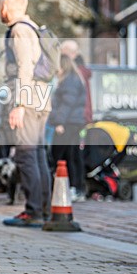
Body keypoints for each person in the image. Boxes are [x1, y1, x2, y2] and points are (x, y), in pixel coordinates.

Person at [0, 0, 53, 227]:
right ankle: (43, 208)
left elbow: (24, 68)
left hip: (28, 98)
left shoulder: (20, 31)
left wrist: (19, 104)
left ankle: (34, 211)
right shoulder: (32, 28)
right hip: (41, 97)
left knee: (26, 154)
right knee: (38, 154)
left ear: (7, 7)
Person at [48, 54, 87, 200]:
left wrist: (59, 122)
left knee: (61, 155)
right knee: (73, 155)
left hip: (67, 123)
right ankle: (76, 188)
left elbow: (66, 104)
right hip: (74, 122)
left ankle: (70, 188)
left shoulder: (69, 81)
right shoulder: (74, 79)